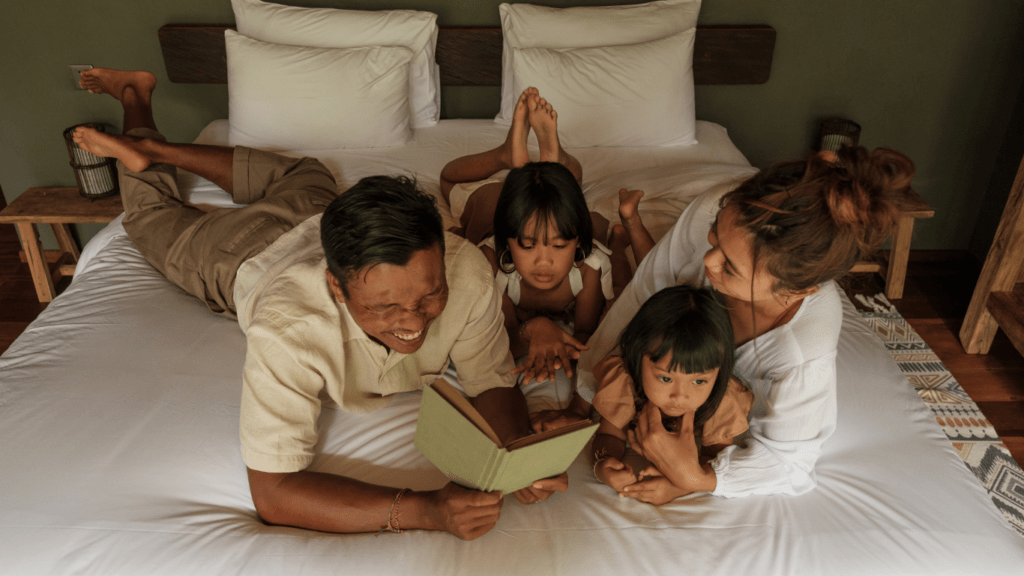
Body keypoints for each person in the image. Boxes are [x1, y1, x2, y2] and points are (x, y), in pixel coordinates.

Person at [73, 67, 566, 541]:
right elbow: (274, 492)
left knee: (306, 170)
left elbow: (493, 384)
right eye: (385, 307)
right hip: (240, 252)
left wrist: (512, 456)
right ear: (336, 287)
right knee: (152, 217)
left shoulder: (466, 273)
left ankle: (161, 149)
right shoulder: (288, 328)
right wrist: (424, 510)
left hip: (315, 206)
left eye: (430, 294)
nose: (413, 321)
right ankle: (139, 112)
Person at [567, 145, 914, 499]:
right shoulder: (714, 207)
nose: (708, 261)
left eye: (730, 267)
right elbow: (641, 302)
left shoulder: (805, 347)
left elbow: (791, 462)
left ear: (795, 292)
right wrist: (583, 396)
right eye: (715, 237)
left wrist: (695, 479)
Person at [439, 88, 617, 385]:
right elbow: (505, 338)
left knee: (567, 203)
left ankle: (552, 164)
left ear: (575, 243)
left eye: (560, 246)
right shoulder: (492, 263)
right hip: (493, 207)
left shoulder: (589, 267)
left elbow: (586, 334)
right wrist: (538, 327)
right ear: (508, 241)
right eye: (526, 245)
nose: (543, 261)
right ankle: (506, 155)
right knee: (448, 178)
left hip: (542, 219)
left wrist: (558, 347)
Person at [590, 285, 752, 505]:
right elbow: (609, 436)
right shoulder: (626, 381)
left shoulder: (721, 399)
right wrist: (604, 465)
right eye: (666, 378)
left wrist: (679, 486)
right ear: (638, 360)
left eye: (699, 381)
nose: (680, 396)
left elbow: (716, 457)